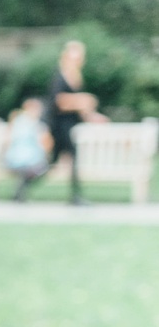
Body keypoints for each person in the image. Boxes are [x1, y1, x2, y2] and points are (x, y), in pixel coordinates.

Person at [22, 39, 106, 204]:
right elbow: (59, 101)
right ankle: (75, 197)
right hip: (58, 125)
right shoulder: (60, 77)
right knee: (69, 157)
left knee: (53, 162)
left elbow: (79, 108)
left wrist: (92, 116)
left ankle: (23, 187)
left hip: (68, 125)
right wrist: (82, 100)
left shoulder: (75, 77)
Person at [4, 97, 52, 201]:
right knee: (36, 167)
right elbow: (46, 143)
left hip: (17, 158)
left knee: (29, 168)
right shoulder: (35, 124)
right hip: (26, 158)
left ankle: (20, 191)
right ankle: (21, 192)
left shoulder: (18, 121)